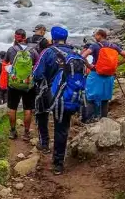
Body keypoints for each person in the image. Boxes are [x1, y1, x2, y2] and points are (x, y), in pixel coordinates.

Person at [33, 25, 87, 175]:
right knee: (62, 129)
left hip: (48, 93)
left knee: (41, 113)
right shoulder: (75, 54)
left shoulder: (47, 52)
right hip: (67, 95)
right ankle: (58, 163)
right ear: (66, 38)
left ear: (53, 38)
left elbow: (37, 74)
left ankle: (44, 143)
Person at [81, 29, 125, 123]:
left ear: (100, 35)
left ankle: (88, 121)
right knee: (105, 99)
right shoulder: (114, 46)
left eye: (95, 35)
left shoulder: (95, 46)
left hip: (96, 74)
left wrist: (89, 66)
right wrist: (117, 64)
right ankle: (104, 120)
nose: (95, 37)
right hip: (109, 76)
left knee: (90, 98)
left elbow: (83, 56)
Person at [5, 29, 39, 141]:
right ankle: (26, 133)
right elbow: (37, 65)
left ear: (16, 38)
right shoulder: (33, 51)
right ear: (25, 38)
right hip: (28, 84)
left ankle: (13, 131)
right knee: (28, 108)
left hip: (14, 83)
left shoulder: (11, 49)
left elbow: (6, 63)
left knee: (12, 108)